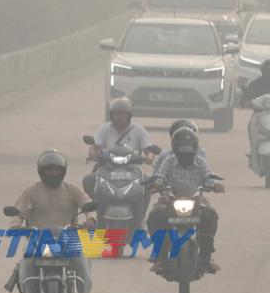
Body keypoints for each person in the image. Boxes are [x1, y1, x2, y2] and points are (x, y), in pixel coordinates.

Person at [7, 150, 96, 293]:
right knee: (26, 263)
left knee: (82, 259)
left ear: (63, 171)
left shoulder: (72, 190)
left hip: (67, 238)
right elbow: (18, 211)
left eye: (56, 170)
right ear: (42, 171)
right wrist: (16, 225)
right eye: (49, 170)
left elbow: (88, 205)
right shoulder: (31, 192)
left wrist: (90, 220)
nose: (53, 173)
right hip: (39, 239)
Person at [148, 128, 223, 273]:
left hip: (196, 199)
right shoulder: (168, 161)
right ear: (175, 148)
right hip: (169, 199)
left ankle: (206, 256)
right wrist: (156, 183)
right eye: (182, 148)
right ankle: (160, 257)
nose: (185, 153)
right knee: (154, 216)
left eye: (188, 149)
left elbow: (208, 177)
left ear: (195, 148)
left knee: (211, 215)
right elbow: (159, 176)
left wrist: (215, 185)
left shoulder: (200, 162)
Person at [85, 97, 158, 194]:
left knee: (149, 185)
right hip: (108, 168)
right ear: (111, 115)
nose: (119, 116)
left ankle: (141, 209)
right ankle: (98, 205)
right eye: (116, 113)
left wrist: (149, 157)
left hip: (133, 169)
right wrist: (93, 153)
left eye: (123, 114)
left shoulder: (139, 130)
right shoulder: (104, 129)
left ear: (129, 115)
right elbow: (95, 146)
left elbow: (148, 151)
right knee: (88, 180)